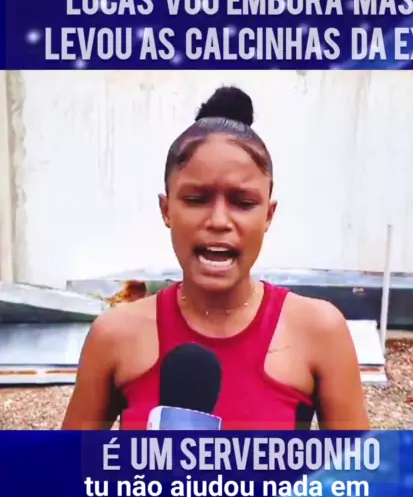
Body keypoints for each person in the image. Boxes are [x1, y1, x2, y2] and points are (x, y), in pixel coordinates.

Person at [62, 86, 370, 431]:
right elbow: (68, 464)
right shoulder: (114, 336)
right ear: (166, 209)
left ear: (268, 216)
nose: (219, 221)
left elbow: (357, 465)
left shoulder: (319, 332)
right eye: (196, 199)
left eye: (243, 203)